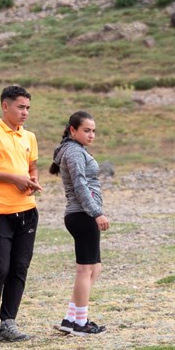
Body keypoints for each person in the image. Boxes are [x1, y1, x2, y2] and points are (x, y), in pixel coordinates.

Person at [0, 85, 42, 344]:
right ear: (5, 106)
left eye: (28, 108)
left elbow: (32, 167)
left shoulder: (29, 137)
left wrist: (32, 180)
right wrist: (13, 178)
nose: (25, 112)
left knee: (19, 268)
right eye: (20, 107)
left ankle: (8, 322)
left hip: (27, 211)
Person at [50, 111, 108, 336]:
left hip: (84, 215)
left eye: (93, 131)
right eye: (86, 130)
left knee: (95, 268)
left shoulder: (77, 150)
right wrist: (96, 213)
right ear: (73, 130)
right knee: (85, 269)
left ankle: (71, 318)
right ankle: (80, 323)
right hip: (82, 215)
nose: (91, 135)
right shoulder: (73, 152)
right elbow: (80, 185)